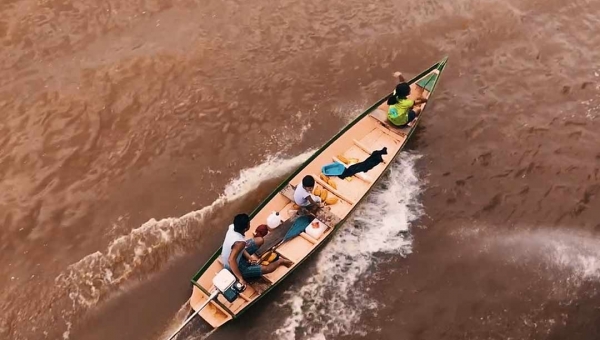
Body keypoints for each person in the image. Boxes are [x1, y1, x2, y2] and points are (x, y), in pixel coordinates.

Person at [221, 214, 292, 288]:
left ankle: (246, 261)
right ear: (245, 229)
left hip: (234, 254)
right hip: (233, 265)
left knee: (260, 240)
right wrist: (240, 279)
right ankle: (280, 261)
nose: (250, 224)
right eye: (249, 224)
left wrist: (249, 257)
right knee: (267, 268)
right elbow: (231, 260)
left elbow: (238, 248)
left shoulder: (232, 227)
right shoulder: (240, 243)